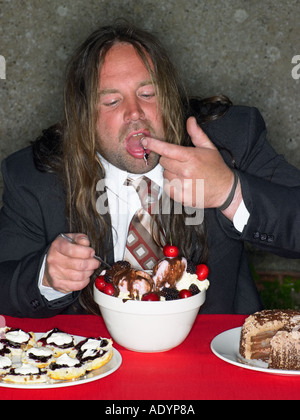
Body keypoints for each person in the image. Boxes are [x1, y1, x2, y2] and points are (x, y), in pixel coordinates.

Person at [1, 23, 300, 318]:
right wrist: (45, 277)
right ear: (83, 117)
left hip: (213, 355)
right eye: (112, 101)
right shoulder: (35, 176)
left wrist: (229, 192)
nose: (135, 113)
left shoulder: (230, 139)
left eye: (147, 94)